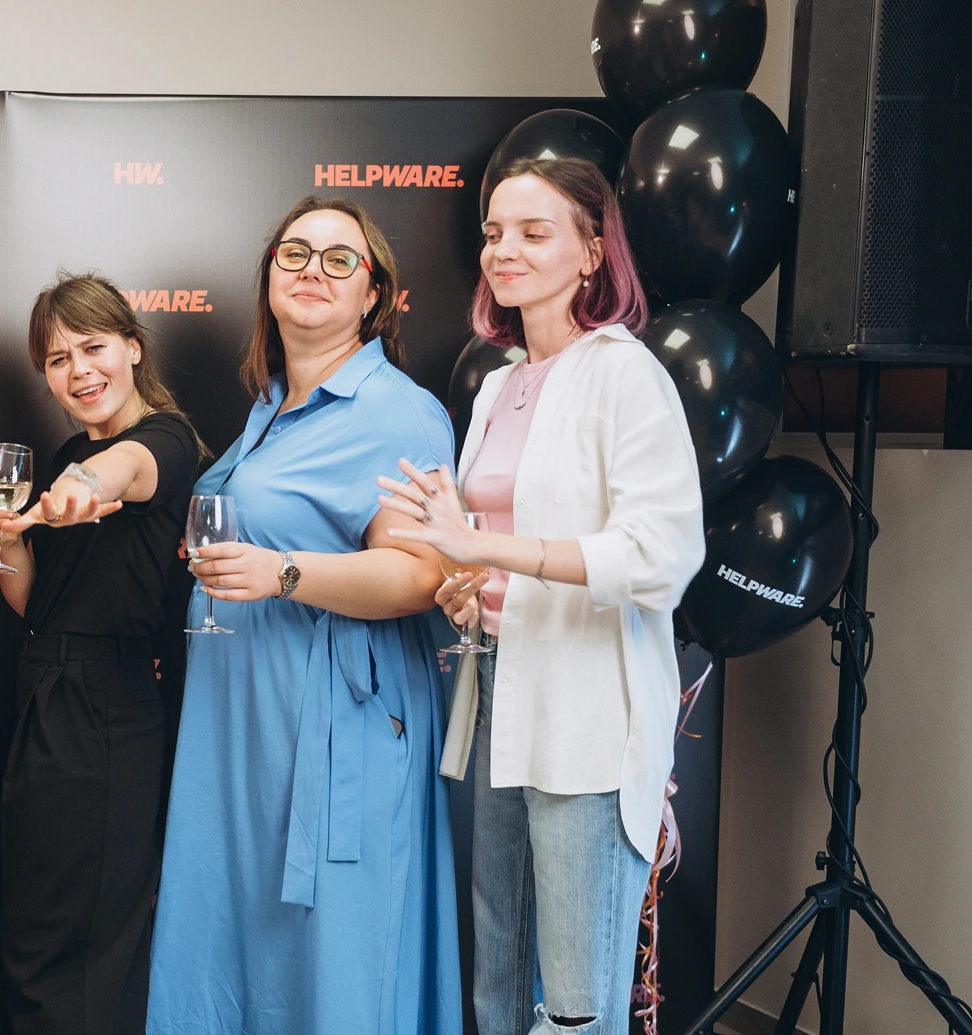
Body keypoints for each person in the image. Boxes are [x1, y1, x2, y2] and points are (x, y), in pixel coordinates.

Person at [377, 156, 702, 1035]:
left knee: (574, 1007)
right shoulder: (498, 385)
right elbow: (494, 557)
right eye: (492, 233)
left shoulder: (625, 375)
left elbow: (662, 556)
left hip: (586, 725)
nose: (502, 250)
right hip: (496, 708)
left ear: (593, 252)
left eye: (532, 231)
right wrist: (465, 583)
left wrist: (482, 547)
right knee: (496, 984)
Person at [147, 198, 462, 1034]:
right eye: (295, 254)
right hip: (242, 724)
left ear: (375, 295)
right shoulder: (271, 406)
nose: (313, 271)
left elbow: (423, 571)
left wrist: (281, 570)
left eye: (338, 258)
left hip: (335, 730)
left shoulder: (398, 411)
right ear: (269, 281)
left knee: (336, 971)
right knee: (241, 959)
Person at [0, 273, 201, 1035]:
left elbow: (123, 472)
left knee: (82, 942)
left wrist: (77, 486)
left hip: (108, 707)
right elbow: (33, 605)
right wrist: (6, 542)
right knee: (37, 930)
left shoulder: (159, 439)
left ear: (133, 348)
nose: (80, 371)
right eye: (59, 358)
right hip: (46, 692)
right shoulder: (74, 446)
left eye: (94, 347)